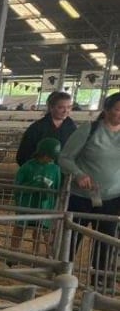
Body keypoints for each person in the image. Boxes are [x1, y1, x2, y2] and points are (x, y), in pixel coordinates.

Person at [58, 91, 120, 288]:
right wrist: (78, 174)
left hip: (112, 197)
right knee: (72, 236)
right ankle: (62, 276)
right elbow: (65, 158)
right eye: (118, 109)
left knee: (106, 240)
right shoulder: (90, 129)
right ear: (107, 110)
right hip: (82, 196)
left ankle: (99, 280)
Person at [8, 137, 62, 259]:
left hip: (45, 206)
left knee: (44, 232)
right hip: (27, 204)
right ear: (42, 154)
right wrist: (34, 186)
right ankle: (12, 255)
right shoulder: (28, 167)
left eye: (52, 157)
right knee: (20, 229)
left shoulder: (55, 169)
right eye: (48, 156)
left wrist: (52, 198)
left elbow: (58, 189)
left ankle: (46, 257)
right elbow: (17, 186)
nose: (50, 160)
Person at [16, 90, 76, 166]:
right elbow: (23, 154)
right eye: (61, 107)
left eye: (69, 107)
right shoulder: (37, 128)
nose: (66, 111)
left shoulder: (71, 127)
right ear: (51, 107)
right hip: (40, 171)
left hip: (63, 171)